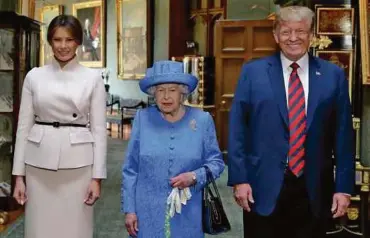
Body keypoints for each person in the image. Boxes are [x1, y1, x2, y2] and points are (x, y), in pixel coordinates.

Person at [228, 6, 354, 238]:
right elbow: (238, 130)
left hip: (314, 187)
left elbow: (344, 136)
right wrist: (239, 179)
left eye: (300, 31)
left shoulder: (332, 75)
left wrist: (344, 188)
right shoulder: (252, 72)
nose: (293, 38)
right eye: (286, 32)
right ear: (276, 36)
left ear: (311, 35)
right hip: (261, 186)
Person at [12, 15, 107, 238]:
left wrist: (97, 178)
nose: (63, 46)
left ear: (78, 42)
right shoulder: (34, 76)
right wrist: (18, 176)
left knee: (75, 229)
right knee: (39, 229)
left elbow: (99, 131)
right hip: (38, 164)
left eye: (69, 40)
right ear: (50, 41)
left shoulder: (92, 79)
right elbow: (23, 127)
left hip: (78, 166)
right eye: (57, 40)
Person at [122, 60, 225, 238]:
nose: (166, 97)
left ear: (182, 93)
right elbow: (131, 169)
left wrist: (194, 177)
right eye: (161, 90)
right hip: (147, 212)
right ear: (154, 94)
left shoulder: (202, 120)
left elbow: (217, 163)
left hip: (188, 212)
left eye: (172, 90)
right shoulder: (142, 119)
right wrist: (130, 210)